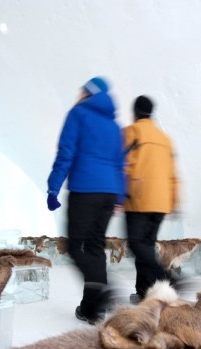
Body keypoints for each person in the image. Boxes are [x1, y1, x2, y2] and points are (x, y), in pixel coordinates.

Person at [46, 76, 125, 324]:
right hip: (109, 191)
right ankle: (92, 309)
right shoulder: (114, 126)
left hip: (85, 189)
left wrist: (53, 188)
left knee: (75, 246)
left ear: (87, 93)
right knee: (94, 247)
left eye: (82, 90)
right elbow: (121, 164)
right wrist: (119, 196)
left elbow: (66, 152)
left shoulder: (78, 114)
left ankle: (105, 288)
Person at [123, 95, 179, 304]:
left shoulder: (133, 132)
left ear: (135, 112)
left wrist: (122, 193)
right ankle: (143, 292)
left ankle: (166, 278)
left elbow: (124, 164)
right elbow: (174, 175)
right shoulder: (165, 139)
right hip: (161, 203)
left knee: (138, 245)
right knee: (146, 245)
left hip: (139, 198)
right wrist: (174, 202)